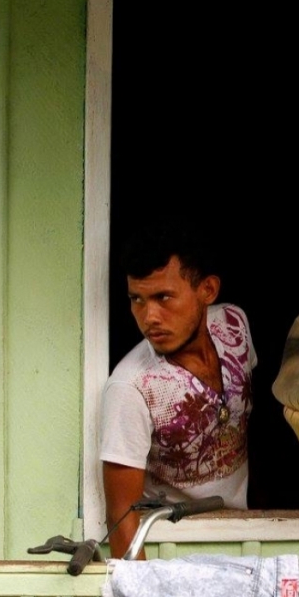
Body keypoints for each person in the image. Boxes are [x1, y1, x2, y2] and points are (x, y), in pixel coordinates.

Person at [99, 227, 256, 559]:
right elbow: (122, 514)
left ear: (207, 290)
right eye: (136, 300)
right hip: (175, 546)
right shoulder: (131, 387)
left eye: (163, 298)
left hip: (248, 533)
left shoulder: (234, 325)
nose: (148, 317)